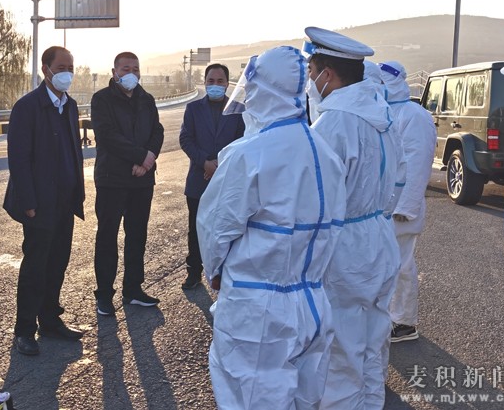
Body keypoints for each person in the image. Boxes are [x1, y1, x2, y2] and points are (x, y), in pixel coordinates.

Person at [197, 47, 347, 409]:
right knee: (305, 399)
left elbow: (216, 229)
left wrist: (215, 273)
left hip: (257, 312)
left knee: (251, 398)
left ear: (264, 91)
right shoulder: (326, 153)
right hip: (313, 303)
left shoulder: (248, 154)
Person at [303, 27, 402, 410]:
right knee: (373, 344)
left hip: (344, 247)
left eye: (312, 72)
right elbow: (398, 178)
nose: (310, 82)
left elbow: (315, 200)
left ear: (328, 74)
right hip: (380, 235)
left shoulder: (332, 125)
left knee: (340, 352)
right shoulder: (382, 117)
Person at [3, 46, 86, 356]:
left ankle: (50, 320)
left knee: (58, 263)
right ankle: (24, 330)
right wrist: (28, 200)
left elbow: (73, 152)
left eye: (71, 67)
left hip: (65, 201)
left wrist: (77, 193)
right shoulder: (27, 107)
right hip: (38, 203)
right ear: (45, 70)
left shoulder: (70, 106)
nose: (67, 73)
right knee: (35, 267)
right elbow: (19, 158)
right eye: (61, 67)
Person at [91, 51, 164, 316]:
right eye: (125, 69)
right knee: (107, 237)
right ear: (114, 72)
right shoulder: (102, 99)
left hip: (142, 180)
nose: (131, 73)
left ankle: (133, 289)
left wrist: (148, 159)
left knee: (137, 235)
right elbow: (107, 136)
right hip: (112, 179)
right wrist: (140, 156)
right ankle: (104, 294)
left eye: (135, 69)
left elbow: (157, 131)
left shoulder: (147, 99)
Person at [379, 60, 437, 343]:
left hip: (401, 208)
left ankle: (404, 322)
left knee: (401, 265)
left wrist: (406, 207)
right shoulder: (385, 111)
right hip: (384, 206)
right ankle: (387, 317)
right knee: (385, 265)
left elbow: (419, 161)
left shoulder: (414, 114)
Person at [178, 63, 244, 289]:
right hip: (199, 179)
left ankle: (224, 274)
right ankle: (193, 272)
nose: (215, 85)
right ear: (205, 83)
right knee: (196, 229)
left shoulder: (238, 110)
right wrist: (205, 162)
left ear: (227, 83)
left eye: (220, 81)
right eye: (211, 81)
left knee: (227, 229)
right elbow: (186, 139)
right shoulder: (193, 109)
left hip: (227, 181)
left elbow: (242, 142)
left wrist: (219, 165)